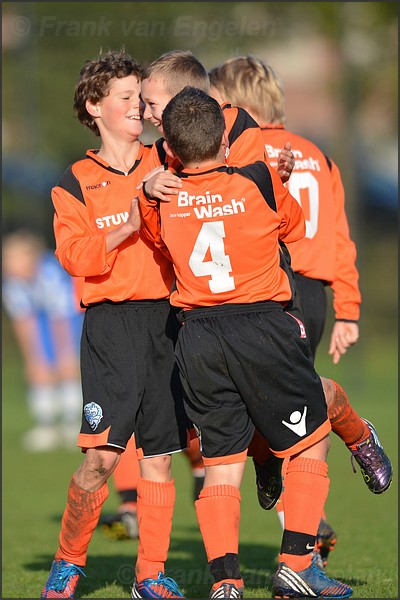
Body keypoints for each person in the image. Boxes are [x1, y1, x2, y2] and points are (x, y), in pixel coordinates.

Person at [138, 86, 353, 599]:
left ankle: (225, 583)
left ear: (169, 148)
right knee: (312, 437)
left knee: (221, 464)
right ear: (226, 141)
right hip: (260, 325)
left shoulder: (159, 197)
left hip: (198, 336)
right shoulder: (257, 178)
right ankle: (298, 562)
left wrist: (152, 188)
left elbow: (155, 240)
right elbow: (293, 227)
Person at [207, 55, 393, 567]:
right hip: (315, 296)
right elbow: (340, 240)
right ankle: (304, 522)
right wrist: (349, 310)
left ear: (236, 103)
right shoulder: (318, 154)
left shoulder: (244, 151)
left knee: (268, 405)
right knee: (284, 401)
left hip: (274, 288)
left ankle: (304, 514)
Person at [40, 50, 189, 599]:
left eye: (139, 97)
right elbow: (76, 255)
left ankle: (150, 575)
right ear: (94, 106)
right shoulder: (74, 179)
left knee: (159, 459)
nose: (136, 107)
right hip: (110, 328)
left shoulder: (170, 162)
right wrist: (130, 222)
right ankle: (69, 561)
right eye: (125, 97)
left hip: (169, 322)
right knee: (100, 459)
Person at [2, 229, 83, 452]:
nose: (7, 263)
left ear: (32, 257)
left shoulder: (51, 273)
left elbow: (62, 319)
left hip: (70, 317)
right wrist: (33, 360)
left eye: (13, 258)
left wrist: (65, 355)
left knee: (68, 365)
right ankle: (46, 426)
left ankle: (72, 423)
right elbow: (23, 322)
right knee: (39, 368)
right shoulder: (11, 282)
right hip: (42, 320)